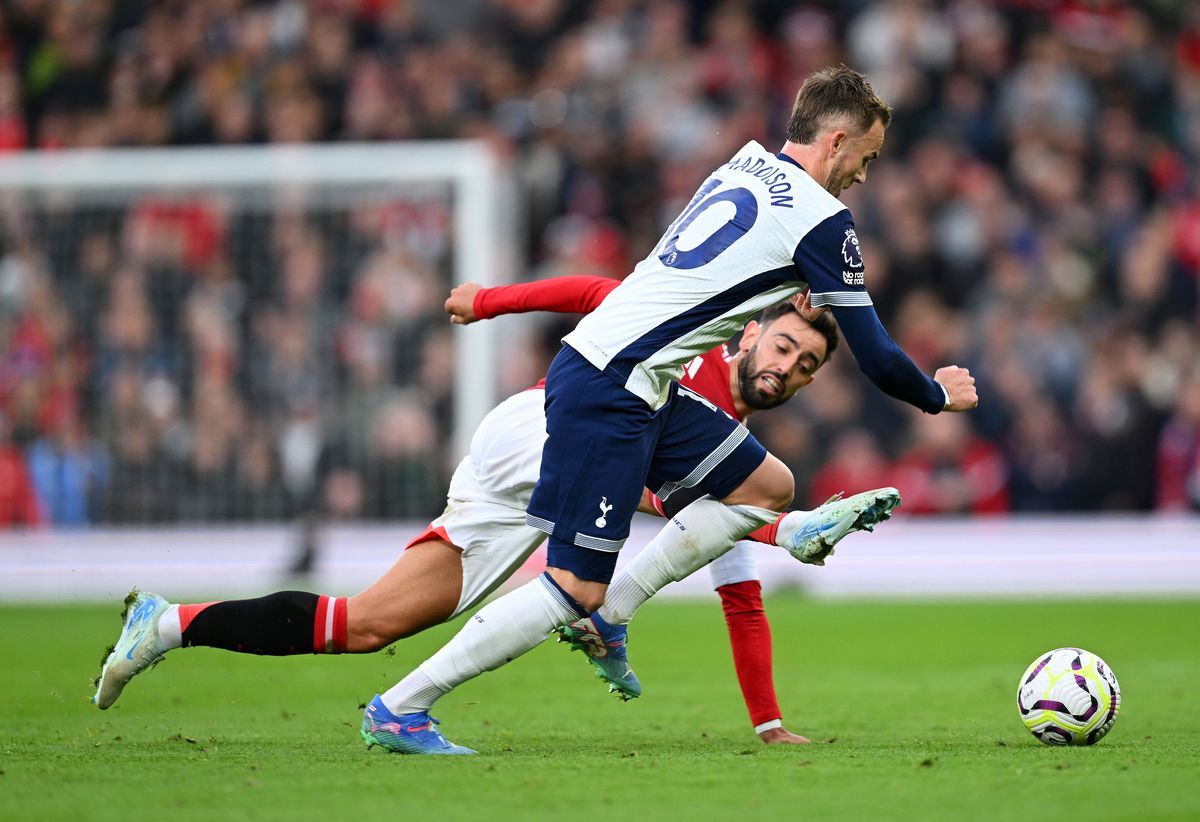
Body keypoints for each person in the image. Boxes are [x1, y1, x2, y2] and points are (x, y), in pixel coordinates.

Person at [362, 65, 977, 755]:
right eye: (866, 158)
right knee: (571, 591)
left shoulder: (741, 166)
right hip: (613, 386)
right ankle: (401, 707)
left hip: (640, 383)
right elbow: (880, 359)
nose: (864, 176)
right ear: (835, 143)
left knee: (768, 485)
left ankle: (618, 609)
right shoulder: (825, 223)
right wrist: (936, 395)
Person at [91, 275, 888, 749]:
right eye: (785, 346)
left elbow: (735, 580)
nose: (790, 367)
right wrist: (492, 300)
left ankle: (167, 624)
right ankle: (601, 617)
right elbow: (598, 294)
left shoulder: (727, 453)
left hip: (516, 490)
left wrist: (767, 722)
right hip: (538, 431)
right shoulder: (694, 345)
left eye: (808, 365)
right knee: (709, 511)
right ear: (751, 333)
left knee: (367, 623)